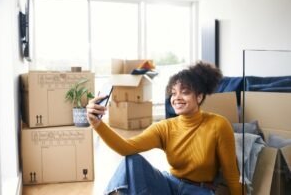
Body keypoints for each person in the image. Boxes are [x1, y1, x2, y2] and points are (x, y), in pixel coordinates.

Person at [86, 61, 242, 195]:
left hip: (199, 191)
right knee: (132, 160)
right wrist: (97, 124)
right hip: (169, 184)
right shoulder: (165, 127)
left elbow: (232, 175)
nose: (177, 98)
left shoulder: (218, 125)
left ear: (199, 97)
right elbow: (126, 148)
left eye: (185, 92)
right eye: (173, 93)